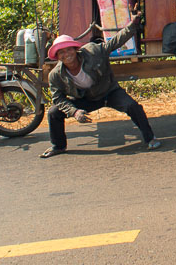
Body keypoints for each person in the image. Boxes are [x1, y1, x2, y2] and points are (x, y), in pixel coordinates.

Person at [40, 11, 161, 158]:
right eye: (61, 53)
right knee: (53, 113)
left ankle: (150, 138)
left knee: (133, 107)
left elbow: (115, 42)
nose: (67, 54)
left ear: (75, 49)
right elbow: (58, 98)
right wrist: (75, 112)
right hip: (86, 100)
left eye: (69, 50)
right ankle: (58, 146)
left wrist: (133, 24)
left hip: (109, 92)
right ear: (57, 57)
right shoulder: (56, 75)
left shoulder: (93, 51)